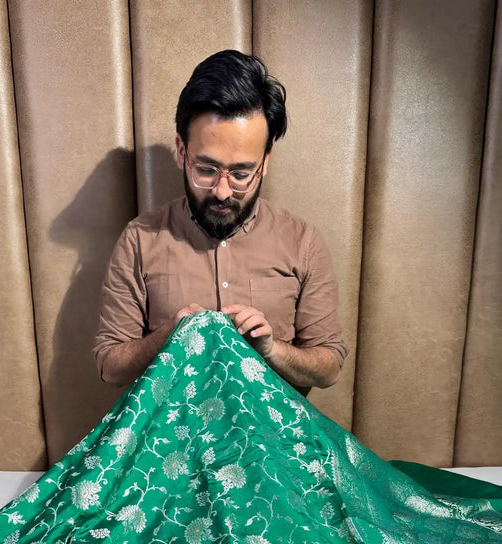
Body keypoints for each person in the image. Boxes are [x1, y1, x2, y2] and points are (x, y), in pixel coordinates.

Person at [93, 49, 347, 391]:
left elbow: (329, 367)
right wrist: (170, 338)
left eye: (242, 173)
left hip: (271, 441)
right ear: (182, 152)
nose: (224, 192)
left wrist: (272, 350)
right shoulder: (140, 239)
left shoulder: (303, 242)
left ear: (265, 162)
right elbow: (110, 366)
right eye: (207, 170)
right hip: (173, 440)